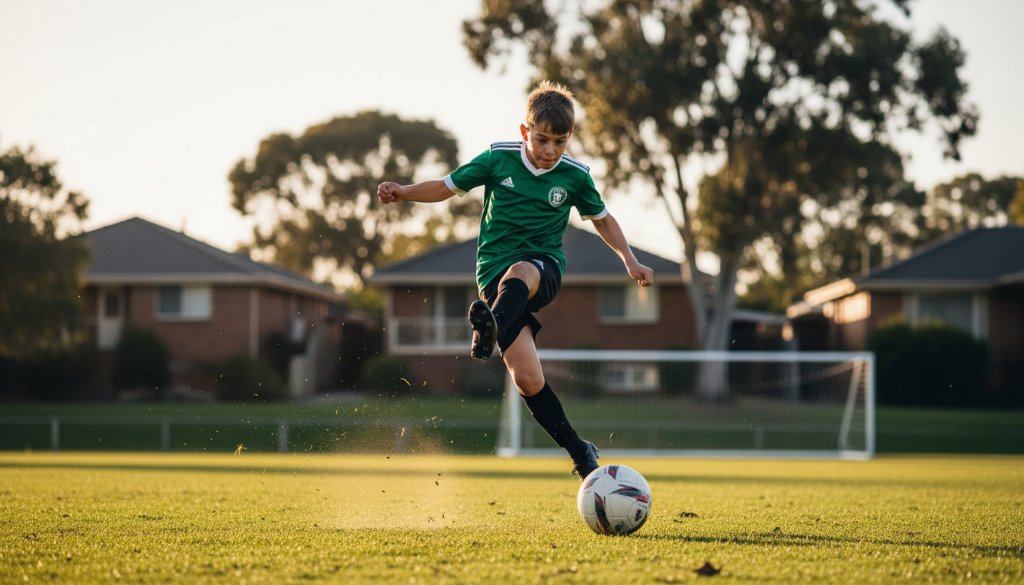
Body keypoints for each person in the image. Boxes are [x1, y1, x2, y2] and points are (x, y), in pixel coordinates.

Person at [377, 81, 653, 480]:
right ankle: (580, 451)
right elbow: (446, 186)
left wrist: (629, 259)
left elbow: (603, 220)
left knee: (522, 270)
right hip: (493, 277)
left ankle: (488, 327)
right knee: (527, 378)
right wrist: (403, 192)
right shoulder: (497, 159)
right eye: (542, 140)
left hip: (543, 268)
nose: (550, 151)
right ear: (524, 132)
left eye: (559, 142)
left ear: (569, 138)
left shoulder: (575, 177)